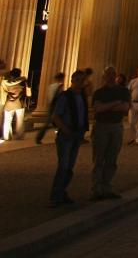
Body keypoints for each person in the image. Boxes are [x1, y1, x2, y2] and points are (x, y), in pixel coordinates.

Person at [49, 69, 89, 206]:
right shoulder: (65, 96)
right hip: (66, 135)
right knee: (64, 166)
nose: (82, 83)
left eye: (83, 80)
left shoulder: (81, 96)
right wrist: (65, 130)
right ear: (73, 80)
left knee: (69, 166)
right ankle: (56, 196)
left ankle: (61, 192)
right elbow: (55, 116)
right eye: (79, 80)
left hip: (76, 134)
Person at [90, 65, 130, 200]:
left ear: (116, 76)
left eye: (113, 74)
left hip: (116, 126)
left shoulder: (123, 91)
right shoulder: (99, 92)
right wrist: (115, 104)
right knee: (98, 159)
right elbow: (98, 109)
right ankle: (97, 188)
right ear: (104, 76)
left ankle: (107, 187)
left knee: (112, 159)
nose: (111, 76)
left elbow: (125, 108)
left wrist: (107, 106)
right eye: (108, 74)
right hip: (101, 126)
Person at [36, 71, 66, 144]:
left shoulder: (51, 86)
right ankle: (59, 137)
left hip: (50, 105)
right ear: (61, 78)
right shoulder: (60, 86)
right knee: (59, 122)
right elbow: (60, 97)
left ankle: (39, 137)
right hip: (56, 106)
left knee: (48, 123)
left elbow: (49, 97)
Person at [1, 67, 28, 141]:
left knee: (7, 121)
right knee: (19, 121)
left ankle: (7, 136)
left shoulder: (5, 82)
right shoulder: (23, 81)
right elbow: (26, 93)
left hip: (9, 102)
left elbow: (4, 90)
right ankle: (19, 136)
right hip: (19, 103)